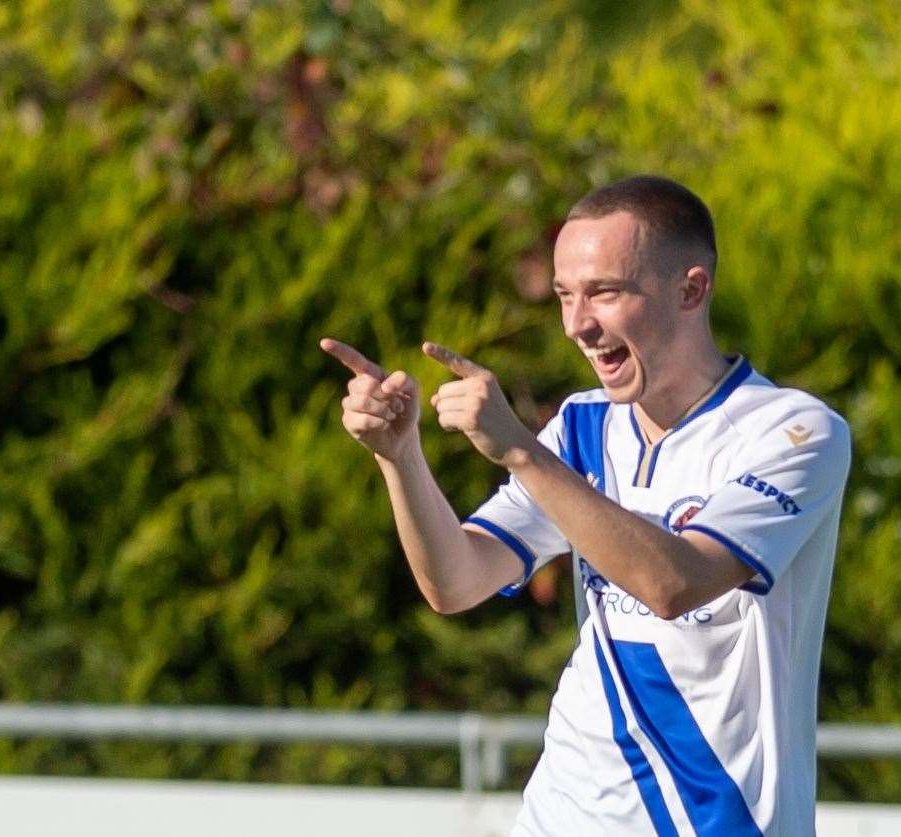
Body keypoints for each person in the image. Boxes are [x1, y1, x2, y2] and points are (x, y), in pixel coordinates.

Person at [322, 175, 849, 835]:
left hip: (716, 821)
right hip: (564, 813)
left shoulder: (794, 430)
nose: (577, 324)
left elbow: (675, 582)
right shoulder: (583, 426)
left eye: (605, 291)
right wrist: (399, 457)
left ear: (691, 289)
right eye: (566, 295)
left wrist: (521, 451)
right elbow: (455, 581)